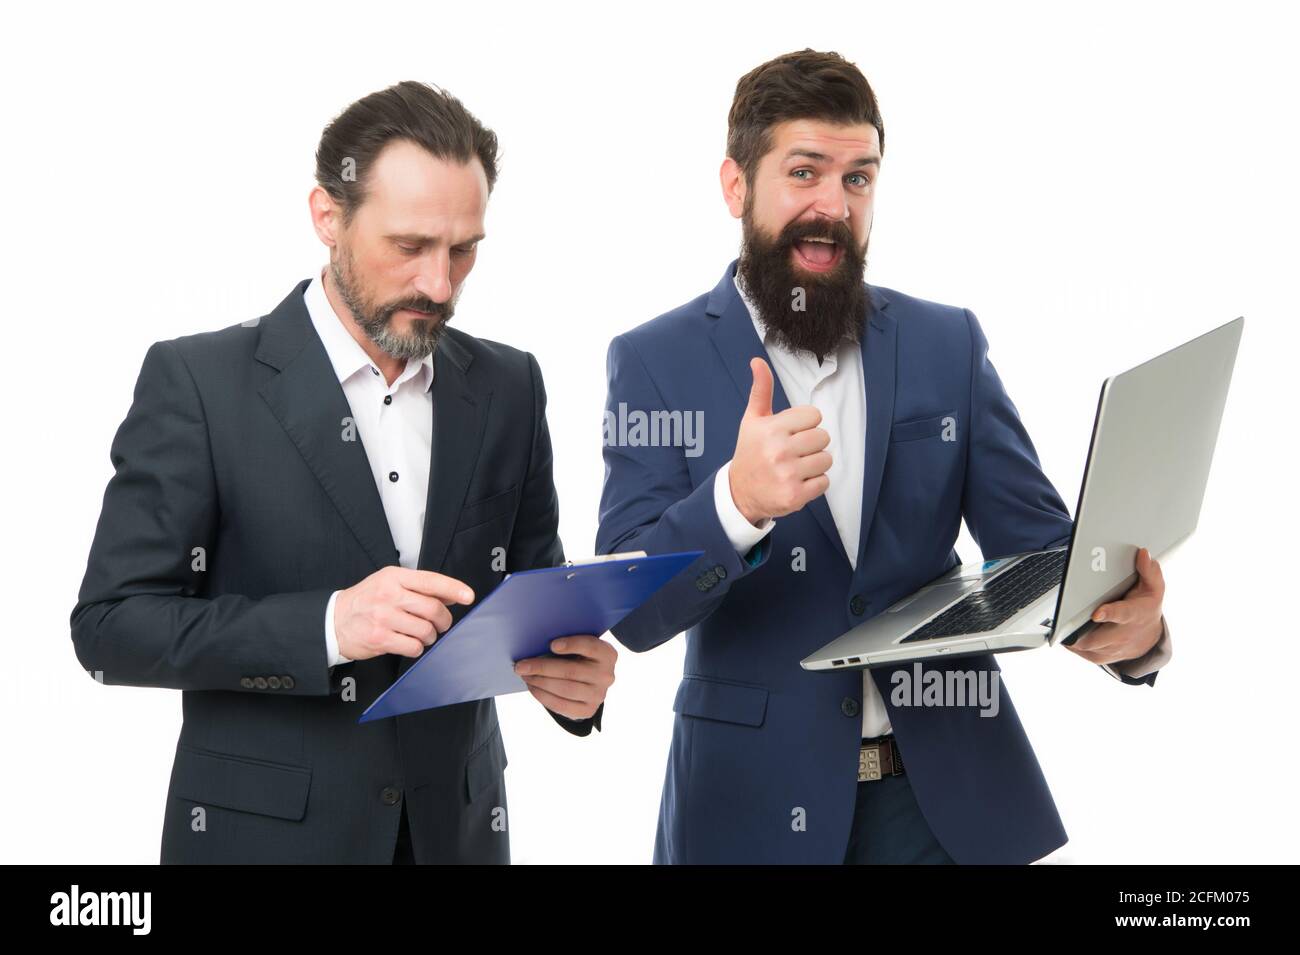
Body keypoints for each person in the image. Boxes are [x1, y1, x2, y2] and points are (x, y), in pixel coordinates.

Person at [596, 49, 1171, 864]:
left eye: (858, 178)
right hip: (751, 813)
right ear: (735, 186)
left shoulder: (946, 342)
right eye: (804, 172)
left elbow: (1041, 553)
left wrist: (1132, 626)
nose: (833, 205)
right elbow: (628, 605)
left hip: (946, 810)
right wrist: (737, 500)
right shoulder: (654, 359)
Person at [71, 80, 616, 864]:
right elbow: (109, 627)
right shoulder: (199, 382)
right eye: (410, 246)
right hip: (263, 840)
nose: (440, 283)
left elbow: (532, 591)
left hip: (455, 837)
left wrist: (574, 682)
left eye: (464, 249)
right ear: (327, 217)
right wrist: (328, 626)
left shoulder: (510, 385)